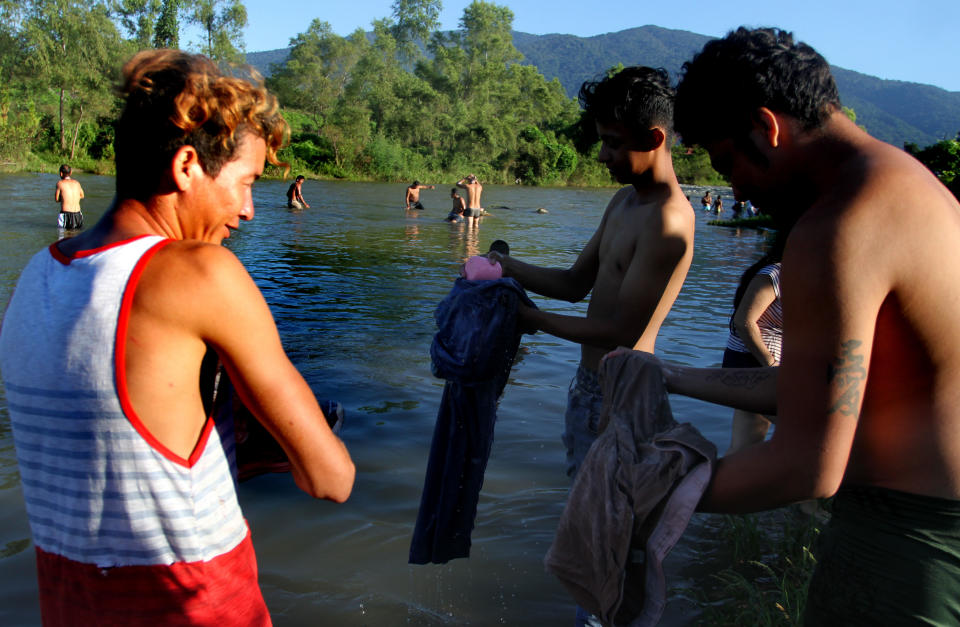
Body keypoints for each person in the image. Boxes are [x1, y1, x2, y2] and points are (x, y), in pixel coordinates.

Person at [0, 50, 355, 625]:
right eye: (246, 184)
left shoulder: (33, 279)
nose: (248, 211)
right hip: (196, 604)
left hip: (69, 606)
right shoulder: (201, 273)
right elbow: (330, 479)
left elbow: (116, 461)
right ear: (187, 165)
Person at [656, 27, 960, 623]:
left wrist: (641, 491)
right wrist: (668, 373)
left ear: (768, 128)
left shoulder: (838, 225)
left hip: (908, 542)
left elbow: (807, 466)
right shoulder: (916, 186)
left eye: (727, 161)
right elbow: (825, 390)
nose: (734, 187)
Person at [490, 66, 694, 478]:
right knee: (585, 510)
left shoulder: (669, 221)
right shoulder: (622, 202)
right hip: (588, 383)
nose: (602, 156)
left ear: (655, 139)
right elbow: (573, 285)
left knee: (614, 524)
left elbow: (622, 332)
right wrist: (506, 268)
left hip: (625, 393)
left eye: (612, 144)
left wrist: (528, 318)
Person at [722, 232, 786, 453]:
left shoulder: (796, 274)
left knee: (744, 448)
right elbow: (743, 322)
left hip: (762, 367)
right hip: (751, 365)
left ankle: (717, 485)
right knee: (805, 430)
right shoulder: (775, 274)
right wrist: (769, 365)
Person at [55, 164, 85, 230]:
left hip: (66, 214)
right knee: (77, 236)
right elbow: (82, 196)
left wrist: (64, 199)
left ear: (61, 173)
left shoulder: (60, 183)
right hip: (78, 214)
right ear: (70, 172)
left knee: (63, 236)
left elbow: (57, 199)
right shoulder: (77, 183)